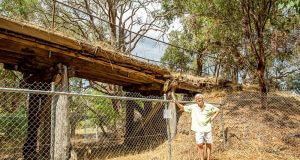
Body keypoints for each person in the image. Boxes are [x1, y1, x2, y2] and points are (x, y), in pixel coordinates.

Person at [173, 93, 220, 160]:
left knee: (209, 144)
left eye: (200, 98)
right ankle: (201, 159)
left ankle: (208, 158)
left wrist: (212, 118)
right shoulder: (193, 107)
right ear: (196, 100)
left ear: (203, 99)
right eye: (197, 98)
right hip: (198, 129)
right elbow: (182, 107)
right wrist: (176, 102)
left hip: (207, 128)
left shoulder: (209, 106)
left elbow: (218, 110)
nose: (199, 99)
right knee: (199, 144)